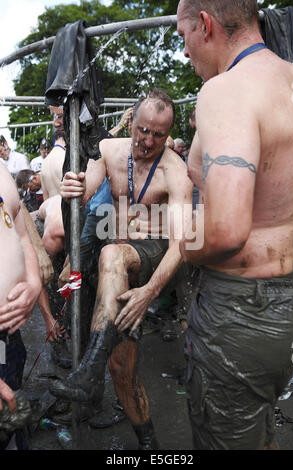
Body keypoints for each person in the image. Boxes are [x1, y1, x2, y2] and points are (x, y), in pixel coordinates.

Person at [177, 0, 293, 450]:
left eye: (184, 35)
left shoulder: (226, 91)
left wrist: (182, 241)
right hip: (292, 308)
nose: (186, 51)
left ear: (206, 25)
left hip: (241, 315)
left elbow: (227, 229)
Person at [50, 88, 194, 449]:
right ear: (132, 121)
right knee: (121, 371)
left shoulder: (175, 171)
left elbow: (181, 244)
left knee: (112, 254)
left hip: (155, 256)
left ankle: (89, 367)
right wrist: (73, 186)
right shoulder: (111, 151)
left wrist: (150, 292)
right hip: (114, 263)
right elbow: (85, 191)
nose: (147, 141)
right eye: (143, 130)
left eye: (158, 135)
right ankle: (149, 446)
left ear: (168, 134)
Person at [0, 162, 41, 449]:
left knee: (13, 431)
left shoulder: (1, 170)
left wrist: (34, 282)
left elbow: (23, 235)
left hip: (8, 338)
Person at [41, 129, 66, 200]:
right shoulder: (66, 157)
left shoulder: (44, 162)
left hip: (52, 207)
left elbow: (45, 198)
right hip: (68, 207)